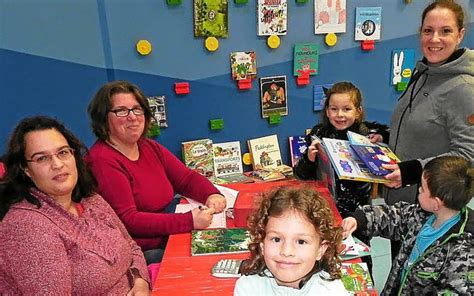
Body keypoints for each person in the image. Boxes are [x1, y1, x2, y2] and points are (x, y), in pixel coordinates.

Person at [0, 116, 150, 295]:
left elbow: (132, 247)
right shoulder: (26, 227)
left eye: (63, 152)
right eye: (42, 158)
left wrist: (140, 281)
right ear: (26, 169)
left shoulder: (91, 200)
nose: (57, 164)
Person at [86, 80, 226, 264]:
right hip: (144, 252)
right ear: (103, 118)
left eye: (137, 109)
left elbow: (185, 178)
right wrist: (188, 221)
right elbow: (129, 220)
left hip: (169, 235)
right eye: (121, 111)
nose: (133, 117)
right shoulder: (102, 160)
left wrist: (211, 194)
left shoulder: (148, 146)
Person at [384, 0, 474, 205]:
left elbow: (467, 156)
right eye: (428, 30)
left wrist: (411, 171)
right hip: (401, 203)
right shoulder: (424, 71)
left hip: (433, 208)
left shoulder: (465, 88)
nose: (435, 39)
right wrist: (385, 135)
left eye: (445, 31)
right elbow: (424, 129)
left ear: (460, 35)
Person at [342, 155, 473, 295]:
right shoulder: (423, 215)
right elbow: (395, 216)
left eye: (422, 188)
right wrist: (359, 219)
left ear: (436, 203)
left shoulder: (462, 253)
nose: (419, 190)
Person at [294, 81, 388, 218]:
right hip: (322, 207)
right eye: (334, 109)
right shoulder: (319, 133)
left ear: (358, 111)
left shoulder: (365, 133)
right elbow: (300, 174)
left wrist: (381, 137)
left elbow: (391, 135)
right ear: (327, 111)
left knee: (356, 238)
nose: (340, 114)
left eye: (346, 109)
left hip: (357, 210)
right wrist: (309, 159)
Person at [234, 187, 348, 295]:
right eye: (276, 239)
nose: (287, 251)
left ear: (320, 250)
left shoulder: (331, 291)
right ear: (262, 245)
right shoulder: (248, 288)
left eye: (301, 242)